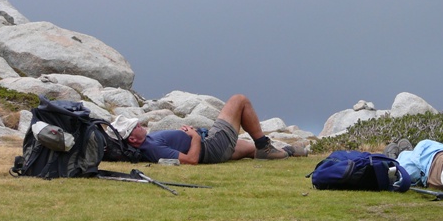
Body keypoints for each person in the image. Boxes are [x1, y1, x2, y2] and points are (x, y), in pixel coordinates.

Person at [111, 94, 304, 165]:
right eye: (133, 128)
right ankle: (264, 145)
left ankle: (289, 151)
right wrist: (194, 137)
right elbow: (191, 160)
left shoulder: (148, 141)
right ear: (132, 140)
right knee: (239, 100)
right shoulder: (152, 148)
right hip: (211, 147)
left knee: (251, 151)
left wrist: (188, 135)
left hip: (210, 145)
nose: (138, 125)